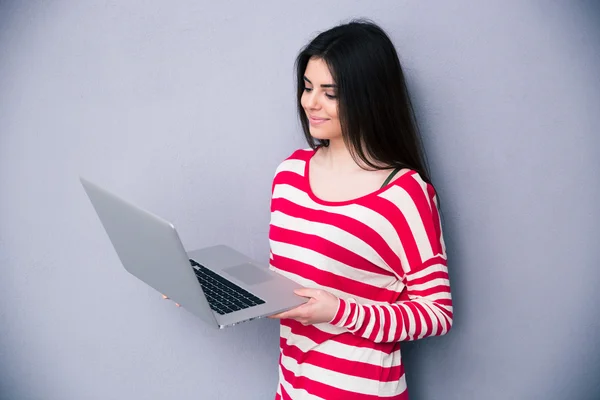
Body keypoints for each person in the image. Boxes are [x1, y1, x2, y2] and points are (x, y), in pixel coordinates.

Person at [266, 20, 453, 399]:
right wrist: (216, 291)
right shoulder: (289, 175)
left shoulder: (402, 194)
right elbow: (288, 285)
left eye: (330, 93)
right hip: (291, 389)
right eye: (307, 87)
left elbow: (437, 313)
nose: (310, 103)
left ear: (369, 96)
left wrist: (338, 310)